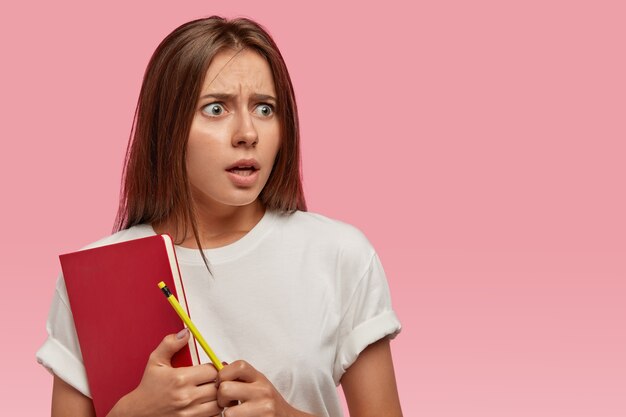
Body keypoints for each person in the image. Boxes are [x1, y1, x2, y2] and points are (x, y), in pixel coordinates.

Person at [37, 16, 403, 417]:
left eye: (265, 108)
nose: (247, 132)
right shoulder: (96, 276)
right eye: (216, 108)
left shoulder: (339, 256)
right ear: (168, 126)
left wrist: (286, 414)